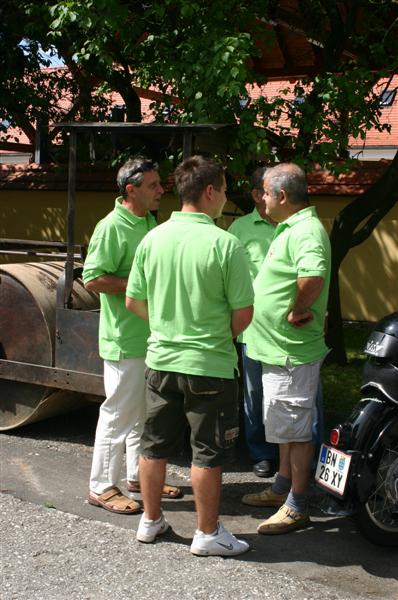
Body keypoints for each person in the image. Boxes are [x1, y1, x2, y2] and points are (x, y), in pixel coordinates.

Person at [126, 155, 254, 556]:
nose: (226, 198)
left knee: (153, 445)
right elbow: (244, 313)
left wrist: (168, 326)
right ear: (210, 191)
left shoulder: (153, 237)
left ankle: (150, 521)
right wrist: (214, 336)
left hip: (161, 360)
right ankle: (207, 532)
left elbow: (133, 300)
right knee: (208, 451)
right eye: (225, 190)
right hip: (209, 364)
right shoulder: (225, 242)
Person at [83, 156, 182, 515]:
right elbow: (92, 277)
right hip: (125, 339)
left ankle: (140, 478)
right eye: (154, 185)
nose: (161, 190)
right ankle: (101, 487)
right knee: (118, 414)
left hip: (147, 336)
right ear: (131, 190)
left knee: (142, 414)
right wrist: (137, 286)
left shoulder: (147, 221)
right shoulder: (112, 226)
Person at [241, 163, 331, 535]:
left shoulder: (306, 230)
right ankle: (282, 485)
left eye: (264, 192)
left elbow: (313, 275)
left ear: (281, 196)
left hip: (292, 351)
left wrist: (298, 308)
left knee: (295, 430)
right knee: (284, 425)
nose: (261, 198)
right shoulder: (292, 227)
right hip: (278, 349)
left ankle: (296, 504)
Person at [228, 167, 277, 478]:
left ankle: (296, 453)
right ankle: (261, 453)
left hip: (289, 327)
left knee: (290, 396)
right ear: (258, 195)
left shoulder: (292, 226)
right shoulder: (239, 229)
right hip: (252, 326)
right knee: (255, 393)